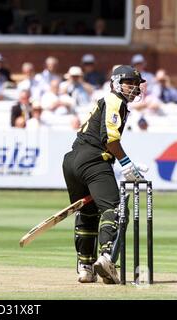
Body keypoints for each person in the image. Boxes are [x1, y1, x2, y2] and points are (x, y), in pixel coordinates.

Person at [62, 65, 148, 284]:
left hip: (72, 161)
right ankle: (107, 257)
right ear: (117, 83)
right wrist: (126, 164)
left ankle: (86, 267)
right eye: (130, 83)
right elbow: (109, 139)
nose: (135, 88)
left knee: (88, 213)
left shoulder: (111, 102)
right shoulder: (114, 101)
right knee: (115, 209)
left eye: (137, 84)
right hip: (93, 160)